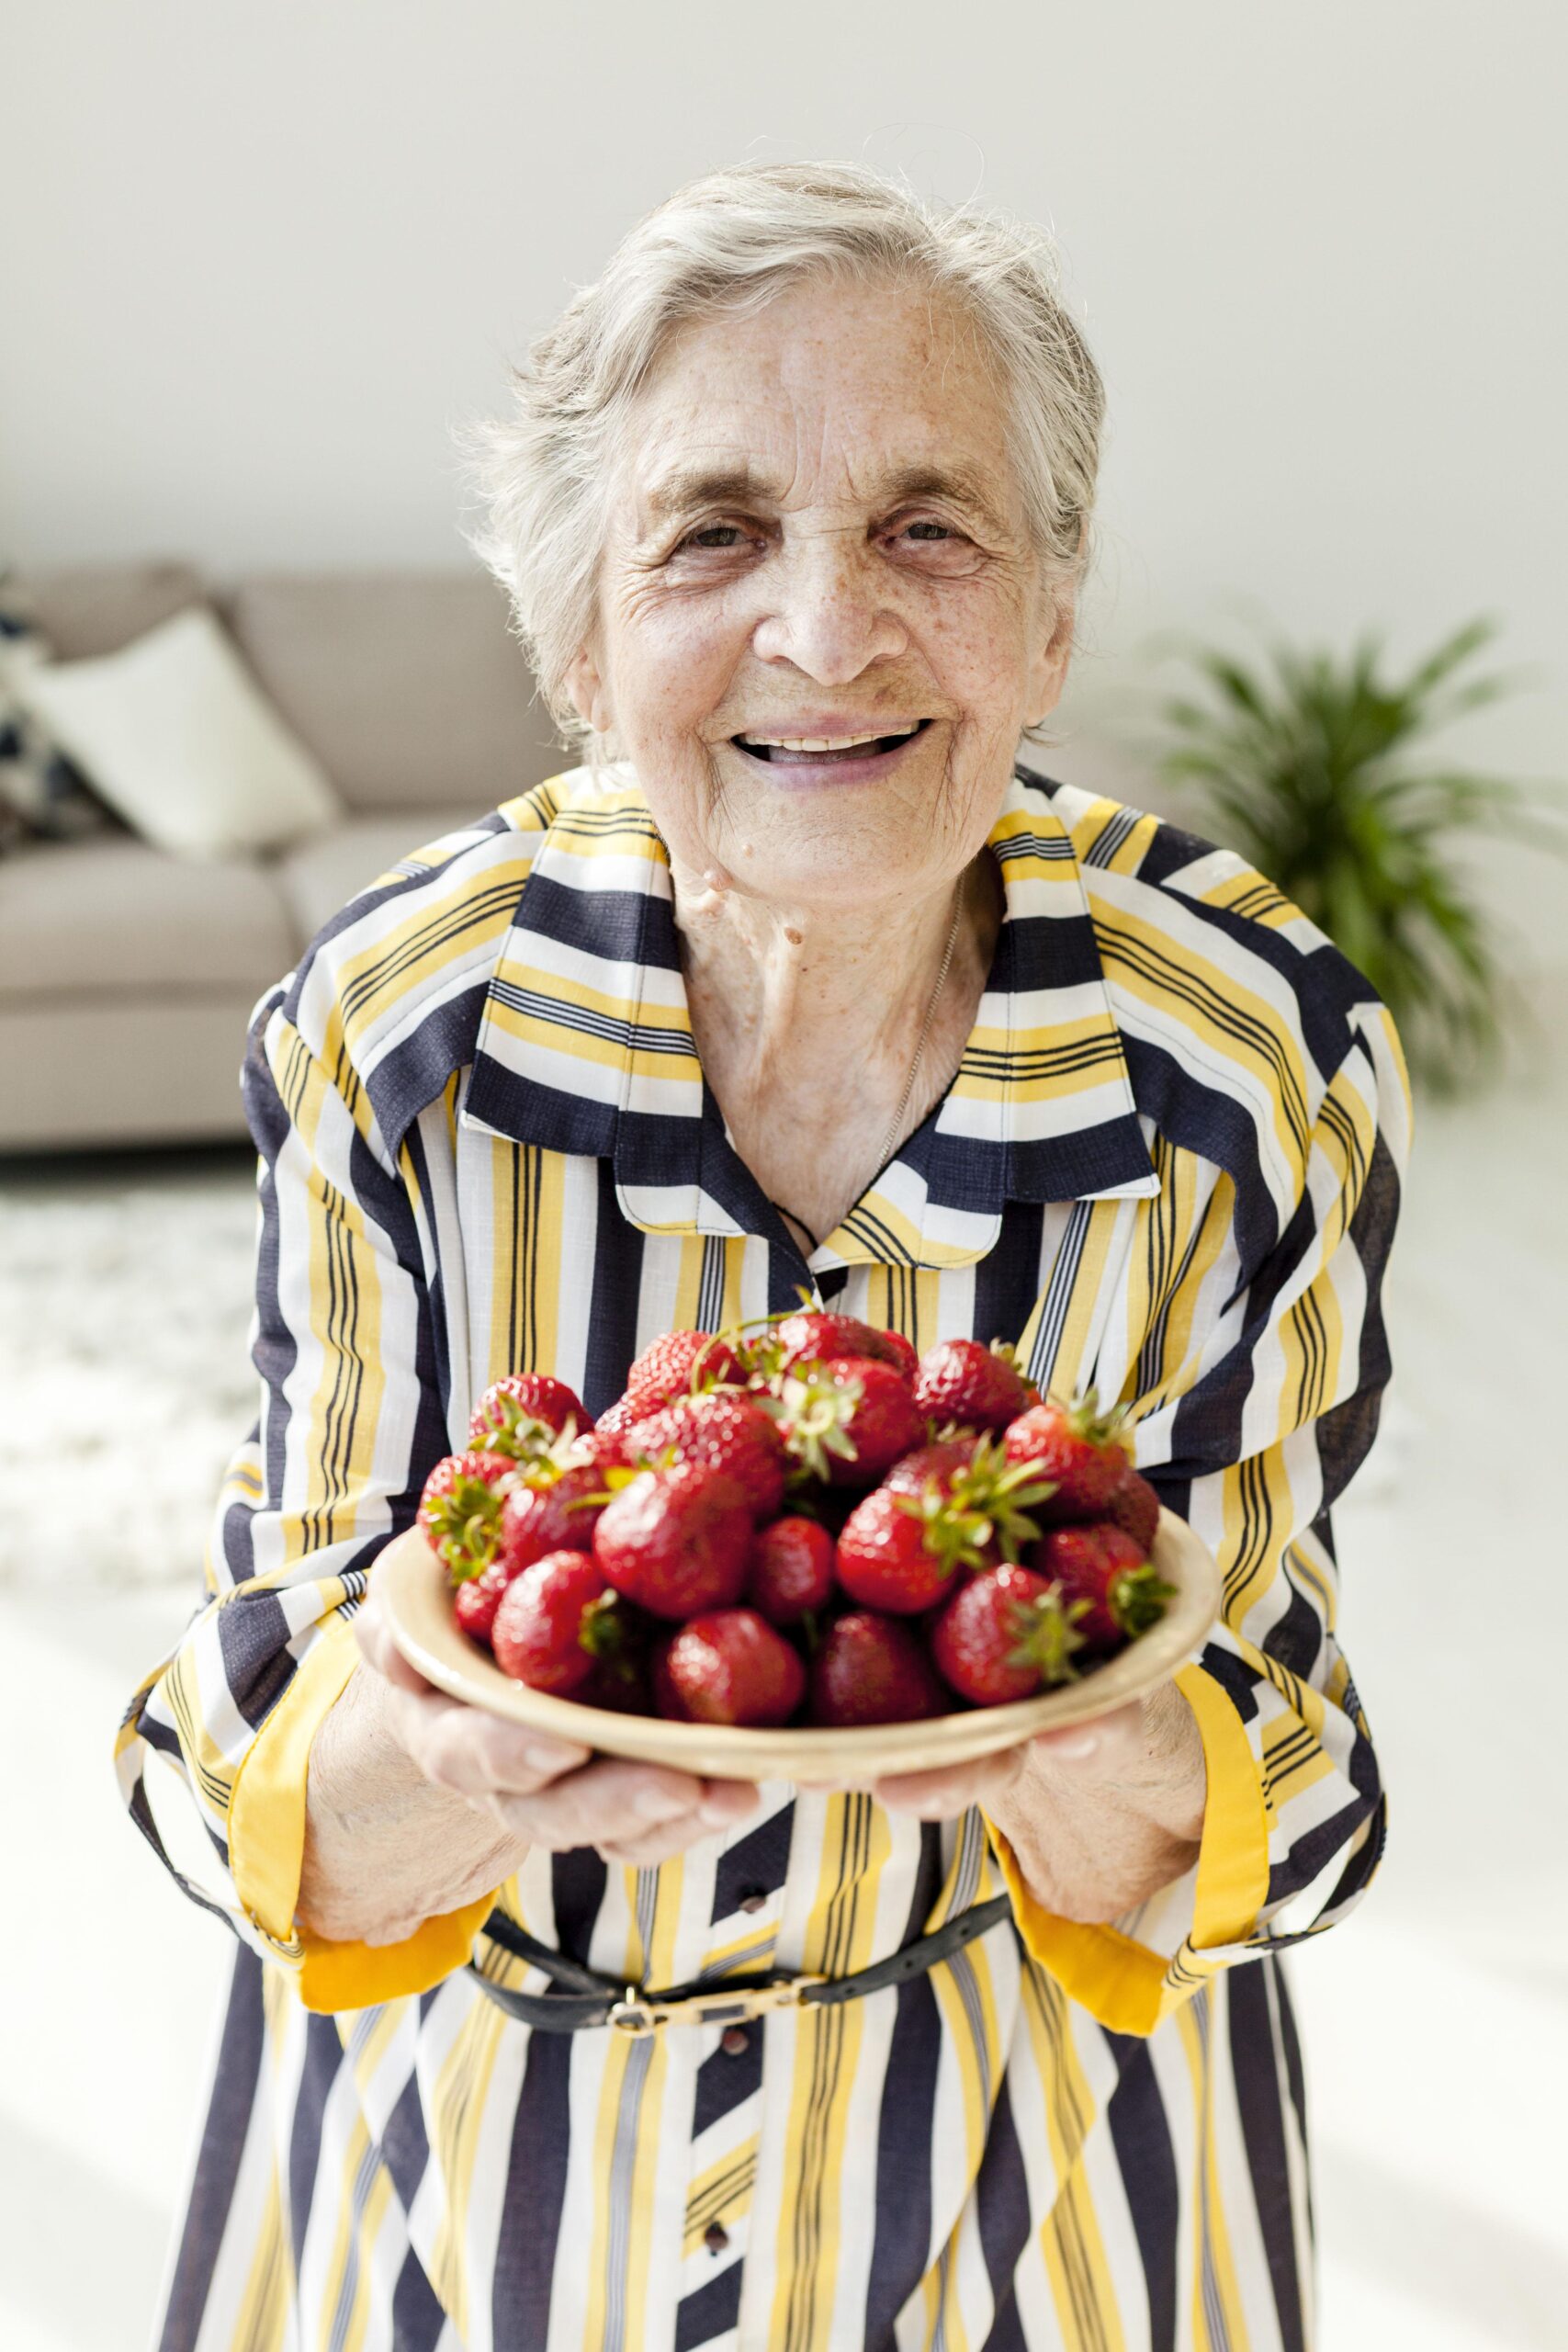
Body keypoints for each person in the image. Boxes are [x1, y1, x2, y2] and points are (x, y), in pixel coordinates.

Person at [119, 160, 1409, 2350]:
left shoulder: (1247, 1059)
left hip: (1054, 2168)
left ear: (1048, 613)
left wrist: (1094, 1751)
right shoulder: (394, 1034)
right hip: (457, 2178)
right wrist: (436, 1755)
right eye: (710, 533)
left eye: (927, 525)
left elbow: (1285, 1797)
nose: (825, 632)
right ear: (575, 639)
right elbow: (237, 1774)